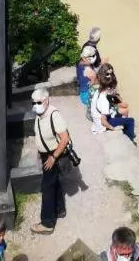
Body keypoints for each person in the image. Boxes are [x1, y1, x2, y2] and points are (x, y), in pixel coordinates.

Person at [31, 86, 71, 235]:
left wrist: (53, 157)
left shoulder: (54, 115)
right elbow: (40, 134)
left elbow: (64, 138)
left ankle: (47, 223)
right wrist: (39, 151)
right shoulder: (39, 114)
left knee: (46, 187)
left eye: (39, 102)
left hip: (53, 155)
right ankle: (59, 209)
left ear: (47, 100)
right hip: (45, 155)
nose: (35, 105)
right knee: (54, 183)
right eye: (33, 103)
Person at [91, 64, 136, 141]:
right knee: (130, 121)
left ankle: (125, 130)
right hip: (103, 125)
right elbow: (103, 121)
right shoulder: (104, 100)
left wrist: (116, 98)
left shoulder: (100, 90)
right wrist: (114, 129)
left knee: (124, 110)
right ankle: (130, 138)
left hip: (100, 116)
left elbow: (116, 100)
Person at [77, 43, 98, 114]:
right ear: (84, 58)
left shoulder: (80, 63)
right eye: (90, 60)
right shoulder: (88, 71)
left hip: (83, 93)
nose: (92, 61)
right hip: (86, 96)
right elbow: (95, 81)